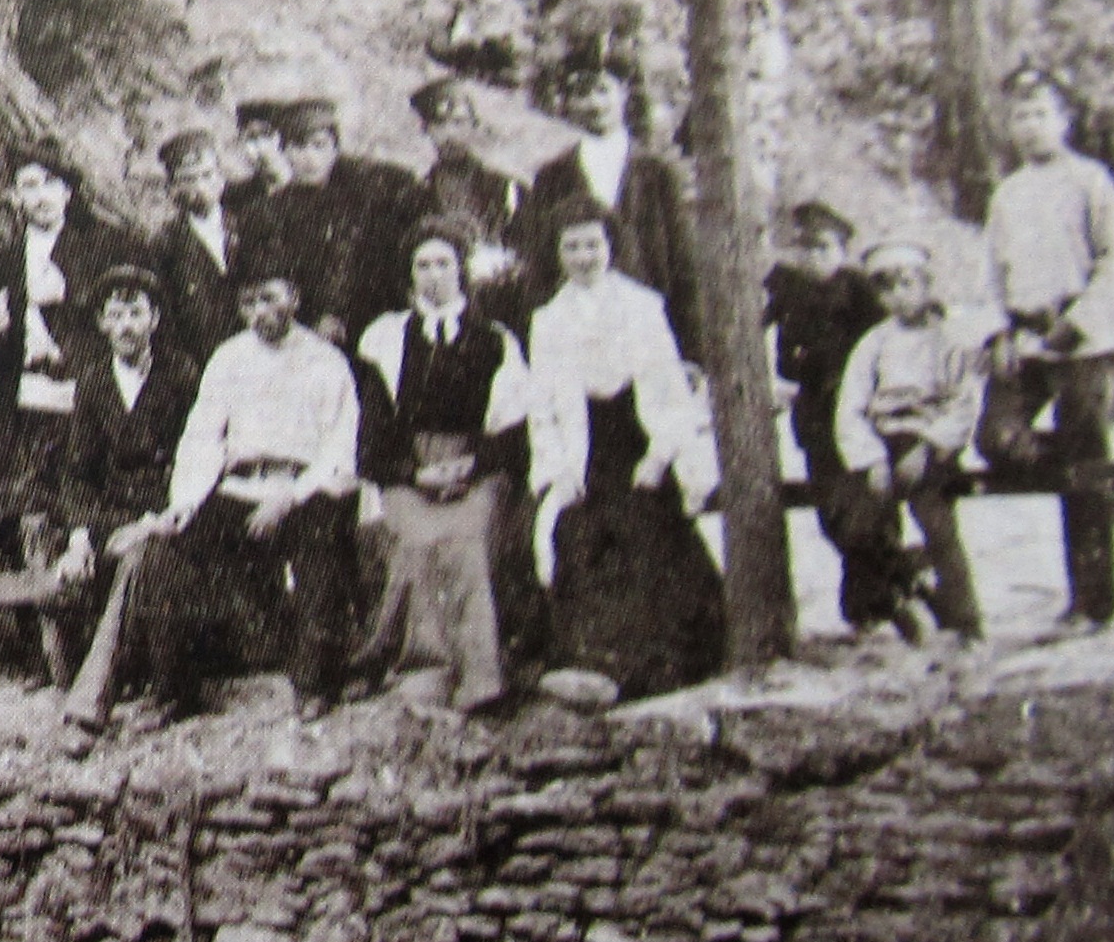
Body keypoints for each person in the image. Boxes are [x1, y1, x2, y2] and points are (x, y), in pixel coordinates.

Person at [129, 258, 364, 725]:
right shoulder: (229, 358)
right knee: (165, 552)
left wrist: (290, 496)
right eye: (249, 302)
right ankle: (173, 690)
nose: (261, 311)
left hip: (304, 488)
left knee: (319, 545)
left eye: (270, 298)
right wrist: (187, 503)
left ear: (294, 298)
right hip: (240, 488)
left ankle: (315, 684)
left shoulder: (326, 360)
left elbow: (339, 445)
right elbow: (202, 437)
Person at [528, 207, 725, 704]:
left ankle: (647, 668)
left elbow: (671, 392)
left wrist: (659, 458)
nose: (583, 256)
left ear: (610, 246)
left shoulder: (642, 306)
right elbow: (543, 406)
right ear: (558, 254)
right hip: (586, 448)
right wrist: (559, 473)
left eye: (592, 244)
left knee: (644, 531)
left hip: (640, 441)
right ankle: (589, 663)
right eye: (572, 247)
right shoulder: (548, 318)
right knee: (575, 530)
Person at [352, 226, 534, 714]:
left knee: (467, 538)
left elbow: (514, 434)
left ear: (463, 272)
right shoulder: (384, 339)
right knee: (418, 539)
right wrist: (416, 475)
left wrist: (473, 464)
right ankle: (426, 668)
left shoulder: (495, 340)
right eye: (423, 265)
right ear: (409, 276)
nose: (434, 277)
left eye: (444, 264)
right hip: (407, 472)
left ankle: (481, 678)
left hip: (477, 470)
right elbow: (370, 441)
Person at [982, 66, 1114, 635]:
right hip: (1028, 339)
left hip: (1085, 341)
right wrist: (1003, 332)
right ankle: (1100, 487)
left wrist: (1076, 325)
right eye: (1020, 116)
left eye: (1041, 114)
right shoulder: (1007, 195)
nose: (1030, 127)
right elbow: (994, 274)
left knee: (1083, 450)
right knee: (997, 439)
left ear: (1064, 121)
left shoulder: (1092, 181)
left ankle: (1091, 602)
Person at [49, 262, 200, 743]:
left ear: (155, 319)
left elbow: (198, 456)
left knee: (142, 558)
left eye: (136, 314)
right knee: (109, 558)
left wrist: (159, 520)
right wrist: (78, 537)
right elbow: (77, 471)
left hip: (173, 516)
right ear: (101, 324)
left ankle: (93, 703)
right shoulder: (93, 382)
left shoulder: (181, 373)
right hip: (112, 517)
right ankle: (109, 690)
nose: (126, 327)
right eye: (115, 315)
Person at [831, 238, 986, 645]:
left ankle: (964, 623)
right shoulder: (874, 343)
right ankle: (907, 591)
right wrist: (871, 458)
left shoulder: (950, 338)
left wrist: (929, 446)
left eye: (906, 284)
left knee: (935, 520)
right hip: (884, 443)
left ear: (926, 284)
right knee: (857, 525)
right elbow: (851, 407)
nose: (898, 297)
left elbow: (965, 402)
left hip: (930, 443)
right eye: (886, 288)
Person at [519, 43, 702, 362]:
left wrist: (689, 351)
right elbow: (540, 266)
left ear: (624, 93)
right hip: (577, 334)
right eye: (581, 93)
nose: (593, 103)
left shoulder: (657, 174)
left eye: (603, 90)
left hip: (647, 331)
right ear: (567, 102)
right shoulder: (552, 177)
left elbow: (683, 263)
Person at [763, 199, 892, 627]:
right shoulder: (788, 291)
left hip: (861, 415)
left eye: (824, 248)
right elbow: (770, 346)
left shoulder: (860, 292)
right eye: (806, 249)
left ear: (842, 250)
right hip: (817, 420)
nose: (814, 258)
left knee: (869, 513)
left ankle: (873, 610)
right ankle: (891, 592)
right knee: (833, 516)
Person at [0, 140, 120, 518]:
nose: (41, 196)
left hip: (86, 391)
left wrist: (70, 295)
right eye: (29, 185)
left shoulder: (103, 249)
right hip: (29, 400)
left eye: (49, 183)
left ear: (67, 191)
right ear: (14, 196)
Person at [269, 97, 428, 346]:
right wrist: (320, 316)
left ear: (335, 148)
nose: (310, 158)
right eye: (298, 148)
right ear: (284, 151)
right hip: (314, 327)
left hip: (379, 315)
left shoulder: (374, 188)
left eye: (319, 146)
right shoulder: (278, 207)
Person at [411, 74, 530, 329]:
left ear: (475, 126)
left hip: (504, 306)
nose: (451, 134)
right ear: (425, 129)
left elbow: (529, 252)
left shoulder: (506, 187)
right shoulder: (416, 194)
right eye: (440, 124)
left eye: (460, 122)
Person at [148, 126, 254, 362]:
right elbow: (166, 324)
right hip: (205, 362)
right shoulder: (164, 245)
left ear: (221, 177)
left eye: (207, 175)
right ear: (172, 189)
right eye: (188, 179)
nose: (200, 187)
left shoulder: (249, 227)